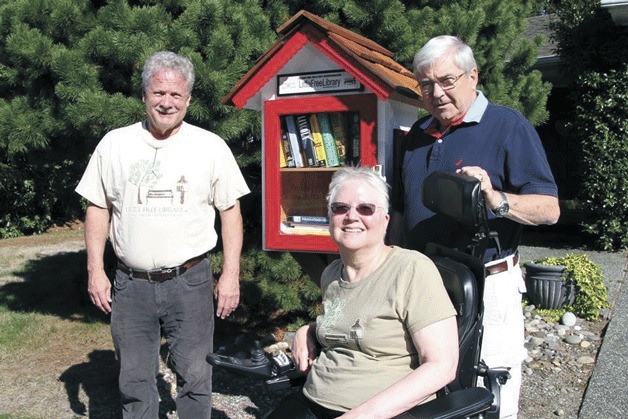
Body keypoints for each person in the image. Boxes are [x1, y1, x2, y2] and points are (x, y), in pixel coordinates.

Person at [391, 35, 560, 418]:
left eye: (447, 80)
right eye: (426, 84)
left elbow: (549, 209)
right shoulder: (417, 135)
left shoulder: (507, 125)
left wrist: (494, 197)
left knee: (489, 387)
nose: (436, 93)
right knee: (431, 384)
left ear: (473, 76)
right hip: (425, 283)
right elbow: (400, 214)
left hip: (488, 283)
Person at [75, 51, 250, 418]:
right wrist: (95, 270)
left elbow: (230, 212)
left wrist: (230, 274)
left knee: (196, 376)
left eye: (176, 95)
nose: (166, 103)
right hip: (130, 284)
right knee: (135, 381)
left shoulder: (210, 146)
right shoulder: (114, 144)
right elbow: (97, 207)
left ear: (188, 99)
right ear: (144, 96)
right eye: (158, 93)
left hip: (190, 282)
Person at [266, 167, 459, 418]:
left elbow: (442, 366)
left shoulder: (411, 270)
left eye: (365, 209)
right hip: (313, 401)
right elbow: (349, 325)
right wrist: (308, 330)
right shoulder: (332, 274)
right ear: (330, 217)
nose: (351, 217)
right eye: (340, 208)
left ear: (385, 221)